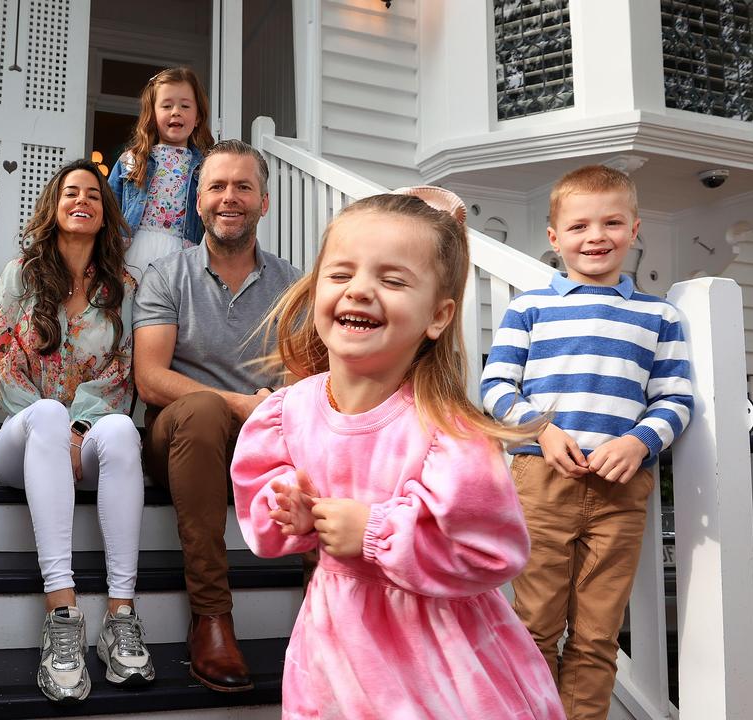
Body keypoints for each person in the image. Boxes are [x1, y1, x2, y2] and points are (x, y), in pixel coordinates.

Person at [230, 188, 566, 720]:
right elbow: (264, 523)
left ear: (438, 316)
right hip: (336, 653)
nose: (360, 290)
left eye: (391, 280)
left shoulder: (448, 434)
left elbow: (491, 552)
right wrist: (292, 513)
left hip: (439, 663)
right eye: (341, 274)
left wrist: (375, 532)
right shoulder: (284, 416)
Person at [480, 165, 693, 720]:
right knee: (535, 627)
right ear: (554, 238)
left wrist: (640, 442)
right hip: (543, 482)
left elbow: (675, 398)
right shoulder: (530, 308)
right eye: (578, 226)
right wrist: (542, 430)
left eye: (612, 222)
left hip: (620, 490)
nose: (595, 236)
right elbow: (496, 387)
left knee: (598, 635)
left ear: (634, 229)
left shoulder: (659, 316)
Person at [132, 139, 300, 692]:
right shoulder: (164, 274)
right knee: (202, 408)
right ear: (197, 200)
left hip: (266, 440)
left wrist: (269, 412)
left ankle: (330, 611)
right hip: (182, 439)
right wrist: (241, 404)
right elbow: (151, 378)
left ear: (264, 202)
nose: (230, 197)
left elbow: (307, 374)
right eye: (217, 186)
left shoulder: (292, 285)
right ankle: (211, 617)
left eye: (243, 187)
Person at [0, 159, 152, 705]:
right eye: (70, 193)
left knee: (126, 431)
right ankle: (62, 611)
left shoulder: (122, 288)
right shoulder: (21, 274)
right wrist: (57, 427)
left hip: (90, 441)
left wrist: (82, 428)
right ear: (54, 208)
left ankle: (121, 615)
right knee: (48, 418)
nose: (82, 201)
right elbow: (3, 363)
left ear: (105, 214)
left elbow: (124, 370)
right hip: (23, 439)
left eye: (94, 196)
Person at [107, 67, 214, 282]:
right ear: (152, 115)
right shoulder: (131, 161)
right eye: (167, 106)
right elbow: (109, 209)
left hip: (183, 253)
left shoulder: (206, 167)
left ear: (198, 117)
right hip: (134, 249)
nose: (176, 111)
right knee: (130, 309)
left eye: (185, 106)